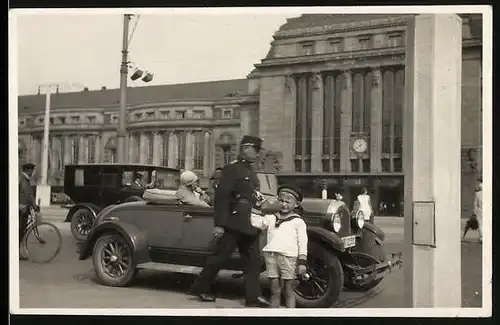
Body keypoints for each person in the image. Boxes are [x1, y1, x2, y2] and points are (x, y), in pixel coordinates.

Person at [188, 135, 269, 308]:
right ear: (246, 149)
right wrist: (219, 224)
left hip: (249, 222)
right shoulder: (232, 170)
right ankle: (201, 287)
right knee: (220, 257)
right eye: (255, 150)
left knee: (253, 261)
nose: (257, 155)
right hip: (233, 221)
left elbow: (251, 195)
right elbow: (222, 197)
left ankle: (253, 297)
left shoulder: (251, 171)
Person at [250, 184, 308, 308]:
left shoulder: (298, 221)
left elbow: (303, 242)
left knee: (288, 290)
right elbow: (256, 222)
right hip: (271, 257)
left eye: (288, 201)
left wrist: (302, 262)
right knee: (274, 290)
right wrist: (257, 206)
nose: (284, 204)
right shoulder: (271, 217)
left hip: (289, 258)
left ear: (296, 204)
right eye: (281, 200)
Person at [19, 163, 39, 260]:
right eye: (32, 170)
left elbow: (29, 195)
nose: (33, 172)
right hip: (21, 209)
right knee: (19, 231)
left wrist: (33, 205)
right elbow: (27, 195)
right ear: (28, 170)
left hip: (25, 209)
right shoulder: (22, 180)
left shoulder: (26, 180)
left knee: (21, 230)